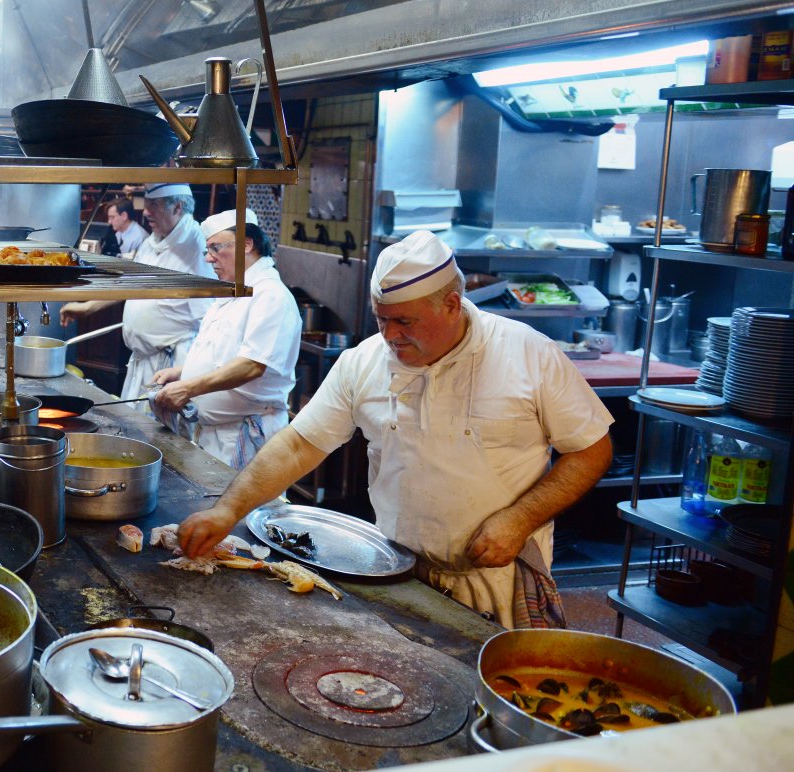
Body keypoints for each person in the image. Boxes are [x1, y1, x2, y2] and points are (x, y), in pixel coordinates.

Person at [178, 231, 613, 627]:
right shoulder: (363, 362)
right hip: (397, 570)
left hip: (499, 575)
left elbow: (591, 451)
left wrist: (519, 519)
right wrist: (227, 510)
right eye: (381, 319)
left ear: (451, 304)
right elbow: (297, 445)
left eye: (405, 322)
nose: (390, 335)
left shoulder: (527, 353)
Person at [150, 210, 299, 469]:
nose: (208, 258)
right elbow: (226, 354)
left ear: (246, 244)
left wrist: (189, 387)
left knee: (240, 510)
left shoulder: (271, 295)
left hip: (243, 436)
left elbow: (252, 365)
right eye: (207, 250)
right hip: (215, 435)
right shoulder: (234, 292)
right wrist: (183, 372)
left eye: (215, 248)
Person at [61, 182, 214, 400]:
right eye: (146, 204)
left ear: (178, 207)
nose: (145, 211)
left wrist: (191, 376)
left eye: (154, 205)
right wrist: (88, 307)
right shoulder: (152, 241)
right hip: (142, 361)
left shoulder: (196, 247)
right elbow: (130, 284)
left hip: (170, 366)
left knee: (160, 431)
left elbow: (206, 320)